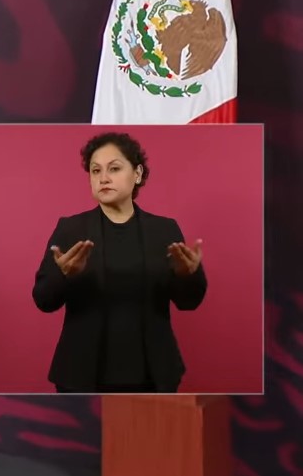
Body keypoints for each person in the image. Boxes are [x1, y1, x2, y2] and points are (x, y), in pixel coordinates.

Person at [31, 131, 208, 394]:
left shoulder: (164, 230)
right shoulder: (70, 229)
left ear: (137, 174)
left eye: (114, 168)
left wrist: (187, 275)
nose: (103, 178)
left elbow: (188, 302)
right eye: (95, 171)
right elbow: (43, 300)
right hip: (82, 375)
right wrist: (64, 275)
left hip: (153, 374)